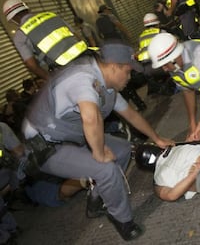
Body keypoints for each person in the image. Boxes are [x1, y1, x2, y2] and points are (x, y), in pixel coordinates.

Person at [21, 43, 174, 241]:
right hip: (45, 146)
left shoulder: (107, 88)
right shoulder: (82, 78)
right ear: (113, 67)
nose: (129, 78)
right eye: (127, 72)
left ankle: (96, 199)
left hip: (73, 137)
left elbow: (131, 115)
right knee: (105, 168)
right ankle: (124, 221)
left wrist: (157, 138)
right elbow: (91, 118)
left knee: (123, 149)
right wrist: (99, 152)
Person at [2, 0, 88, 80]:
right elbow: (77, 36)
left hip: (64, 70)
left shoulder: (20, 35)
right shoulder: (51, 15)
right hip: (84, 57)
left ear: (13, 19)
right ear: (27, 8)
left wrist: (50, 79)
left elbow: (31, 65)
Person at [136, 13, 177, 96]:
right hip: (160, 67)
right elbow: (173, 44)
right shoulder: (160, 32)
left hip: (146, 70)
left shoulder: (141, 37)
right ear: (158, 23)